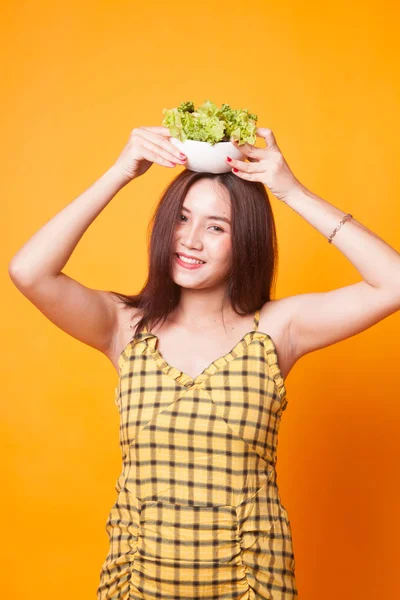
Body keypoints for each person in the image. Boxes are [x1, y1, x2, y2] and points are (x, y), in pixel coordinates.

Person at [8, 125, 400, 599]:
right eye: (182, 219)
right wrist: (119, 173)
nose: (190, 240)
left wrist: (291, 191)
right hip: (136, 587)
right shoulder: (125, 327)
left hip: (252, 587)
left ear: (247, 242)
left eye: (216, 227)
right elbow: (28, 271)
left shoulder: (276, 330)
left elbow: (393, 283)